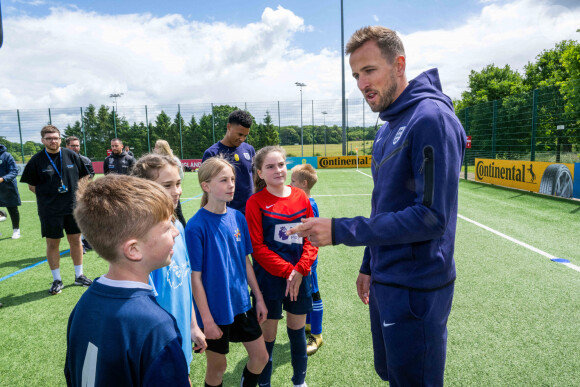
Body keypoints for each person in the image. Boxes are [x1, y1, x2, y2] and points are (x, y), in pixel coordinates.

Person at [288, 27, 466, 386]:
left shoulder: (431, 118)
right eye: (356, 75)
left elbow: (431, 217)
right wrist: (370, 263)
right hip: (386, 277)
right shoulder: (386, 128)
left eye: (369, 70)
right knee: (393, 376)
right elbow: (383, 203)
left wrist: (340, 230)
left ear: (399, 65)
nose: (361, 83)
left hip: (417, 286)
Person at [65, 175, 190, 386]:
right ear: (134, 249)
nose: (176, 231)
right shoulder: (156, 325)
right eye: (167, 227)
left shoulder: (83, 304)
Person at [185, 157, 269, 387]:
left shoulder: (237, 217)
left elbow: (245, 261)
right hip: (214, 310)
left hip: (242, 305)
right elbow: (195, 278)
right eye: (224, 180)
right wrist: (207, 321)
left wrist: (258, 298)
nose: (231, 184)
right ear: (206, 186)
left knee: (261, 357)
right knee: (218, 368)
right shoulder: (195, 226)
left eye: (232, 179)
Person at [245, 146, 318, 387]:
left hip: (299, 277)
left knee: (297, 335)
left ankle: (299, 382)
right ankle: (264, 384)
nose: (278, 170)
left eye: (281, 165)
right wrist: (289, 271)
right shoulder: (255, 203)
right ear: (260, 172)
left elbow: (311, 238)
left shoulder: (300, 197)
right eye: (270, 167)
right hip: (270, 280)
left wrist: (300, 270)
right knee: (269, 338)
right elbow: (257, 247)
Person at [131, 154, 207, 372]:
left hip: (180, 339)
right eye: (167, 185)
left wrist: (192, 325)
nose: (177, 191)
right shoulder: (142, 238)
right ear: (144, 188)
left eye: (178, 183)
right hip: (158, 346)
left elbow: (184, 282)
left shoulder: (176, 227)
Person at [20, 125, 92, 295]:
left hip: (73, 208)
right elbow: (32, 186)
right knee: (53, 244)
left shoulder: (71, 155)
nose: (53, 141)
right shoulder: (37, 160)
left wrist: (79, 197)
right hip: (50, 210)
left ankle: (79, 275)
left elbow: (84, 177)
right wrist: (48, 198)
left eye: (56, 138)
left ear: (60, 139)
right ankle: (57, 280)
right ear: (43, 140)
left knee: (76, 241)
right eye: (49, 138)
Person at [289, 164, 323, 356]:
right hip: (302, 258)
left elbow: (312, 235)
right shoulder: (302, 201)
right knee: (308, 294)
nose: (289, 184)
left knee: (315, 294)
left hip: (308, 260)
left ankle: (317, 335)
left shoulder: (309, 204)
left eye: (293, 181)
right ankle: (309, 325)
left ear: (303, 183)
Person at [202, 110, 255, 214]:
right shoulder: (212, 153)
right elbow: (208, 189)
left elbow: (255, 177)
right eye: (240, 134)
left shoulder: (249, 150)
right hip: (225, 213)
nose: (242, 139)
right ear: (229, 127)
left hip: (250, 211)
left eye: (245, 135)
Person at [65, 136, 94, 253]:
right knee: (73, 219)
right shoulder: (61, 160)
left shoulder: (85, 160)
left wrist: (82, 180)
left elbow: (91, 174)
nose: (75, 148)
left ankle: (85, 240)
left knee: (84, 218)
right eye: (73, 145)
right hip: (67, 195)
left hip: (82, 194)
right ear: (67, 146)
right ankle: (80, 243)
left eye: (77, 145)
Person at [154, 139, 186, 227]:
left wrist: (172, 184)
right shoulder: (155, 160)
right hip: (159, 193)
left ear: (161, 148)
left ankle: (184, 231)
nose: (154, 149)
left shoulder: (173, 159)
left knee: (177, 212)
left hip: (169, 191)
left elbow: (181, 176)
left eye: (156, 147)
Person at [0, 143, 21, 239]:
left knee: (12, 209)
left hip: (8, 187)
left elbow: (14, 171)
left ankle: (16, 230)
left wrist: (3, 179)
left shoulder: (6, 155)